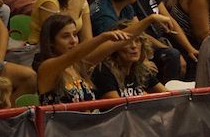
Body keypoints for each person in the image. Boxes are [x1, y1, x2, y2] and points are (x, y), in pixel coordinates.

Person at [35, 11, 169, 104]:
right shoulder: (47, 68)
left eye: (75, 35)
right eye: (65, 36)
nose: (73, 41)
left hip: (88, 130)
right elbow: (75, 54)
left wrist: (149, 19)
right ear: (51, 42)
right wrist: (102, 37)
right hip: (59, 134)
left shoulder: (79, 65)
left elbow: (120, 40)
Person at [91, 18, 166, 98]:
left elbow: (167, 95)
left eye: (137, 41)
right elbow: (116, 104)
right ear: (115, 47)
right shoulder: (103, 71)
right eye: (128, 42)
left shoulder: (141, 69)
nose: (134, 46)